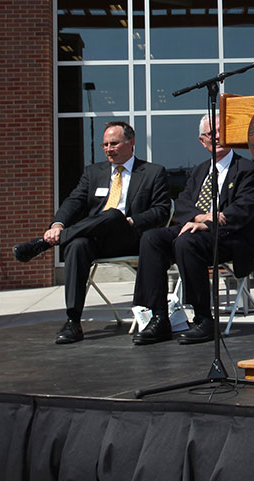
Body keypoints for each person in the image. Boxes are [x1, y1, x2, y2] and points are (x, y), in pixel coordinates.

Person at [12, 121, 170, 344]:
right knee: (77, 245)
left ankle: (45, 244)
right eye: (104, 144)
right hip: (97, 239)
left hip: (131, 237)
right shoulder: (93, 172)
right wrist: (57, 224)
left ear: (131, 143)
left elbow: (161, 211)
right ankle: (73, 321)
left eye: (114, 143)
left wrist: (132, 219)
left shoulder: (153, 172)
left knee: (114, 215)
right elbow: (74, 202)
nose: (108, 149)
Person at [130, 115, 254, 345]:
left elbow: (246, 208)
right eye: (212, 134)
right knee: (152, 238)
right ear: (203, 141)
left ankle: (203, 319)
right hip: (197, 231)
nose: (219, 137)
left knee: (187, 241)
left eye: (223, 131)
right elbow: (182, 204)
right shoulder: (198, 171)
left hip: (230, 237)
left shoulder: (248, 168)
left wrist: (210, 223)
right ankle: (159, 317)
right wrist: (197, 217)